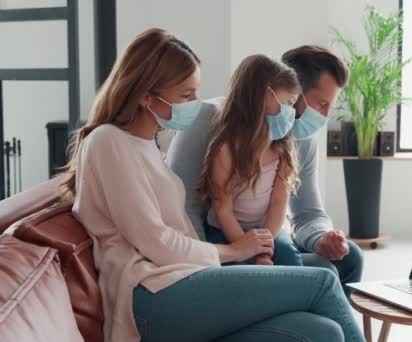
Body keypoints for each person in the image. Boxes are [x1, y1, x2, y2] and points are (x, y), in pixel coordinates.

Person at [61, 28, 364, 342]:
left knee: (323, 331)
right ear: (145, 94)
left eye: (196, 92)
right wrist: (232, 251)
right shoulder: (108, 141)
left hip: (185, 276)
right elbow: (157, 242)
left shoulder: (146, 143)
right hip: (150, 293)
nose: (196, 104)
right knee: (322, 283)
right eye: (186, 95)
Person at [167, 45, 364, 296]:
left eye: (330, 107)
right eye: (321, 103)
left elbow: (307, 212)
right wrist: (210, 262)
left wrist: (322, 238)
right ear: (287, 89)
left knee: (351, 257)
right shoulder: (210, 119)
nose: (323, 117)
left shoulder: (300, 138)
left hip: (267, 231)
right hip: (220, 236)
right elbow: (184, 205)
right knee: (314, 275)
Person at [200, 54, 303, 266]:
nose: (291, 112)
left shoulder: (282, 148)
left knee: (290, 259)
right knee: (240, 268)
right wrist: (246, 248)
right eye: (289, 102)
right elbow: (223, 210)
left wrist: (264, 248)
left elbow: (278, 203)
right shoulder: (226, 150)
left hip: (268, 230)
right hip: (226, 230)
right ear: (266, 95)